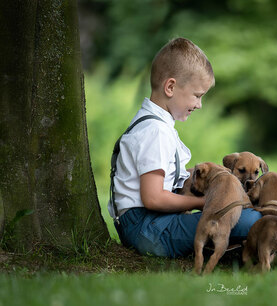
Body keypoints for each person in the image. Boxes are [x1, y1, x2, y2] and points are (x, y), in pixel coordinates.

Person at [108, 37, 261, 258]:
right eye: (197, 96)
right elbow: (153, 198)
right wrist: (205, 202)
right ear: (170, 87)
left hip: (150, 224)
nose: (199, 104)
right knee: (251, 219)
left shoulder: (155, 124)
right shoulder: (155, 132)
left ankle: (235, 247)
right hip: (148, 229)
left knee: (242, 215)